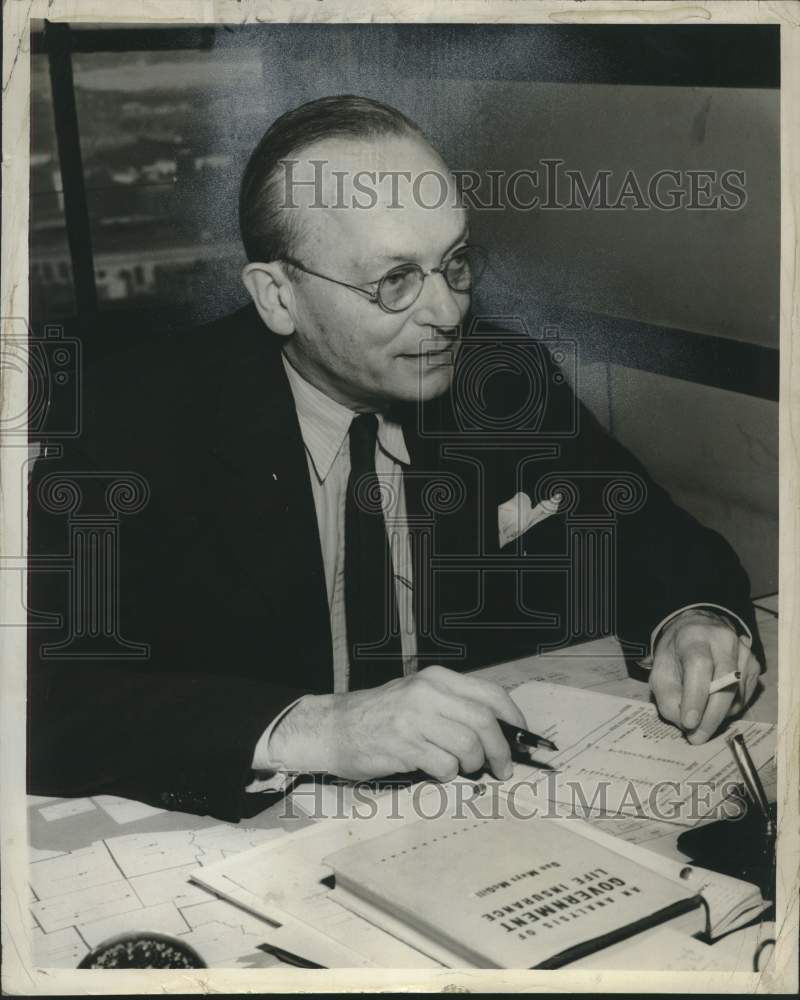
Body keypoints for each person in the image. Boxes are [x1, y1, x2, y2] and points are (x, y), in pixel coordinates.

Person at [27, 95, 763, 822]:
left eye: (456, 264)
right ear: (278, 296)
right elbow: (40, 699)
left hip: (481, 820)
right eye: (395, 281)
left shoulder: (504, 382)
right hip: (242, 837)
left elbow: (653, 536)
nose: (448, 314)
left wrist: (693, 619)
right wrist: (318, 727)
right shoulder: (133, 426)